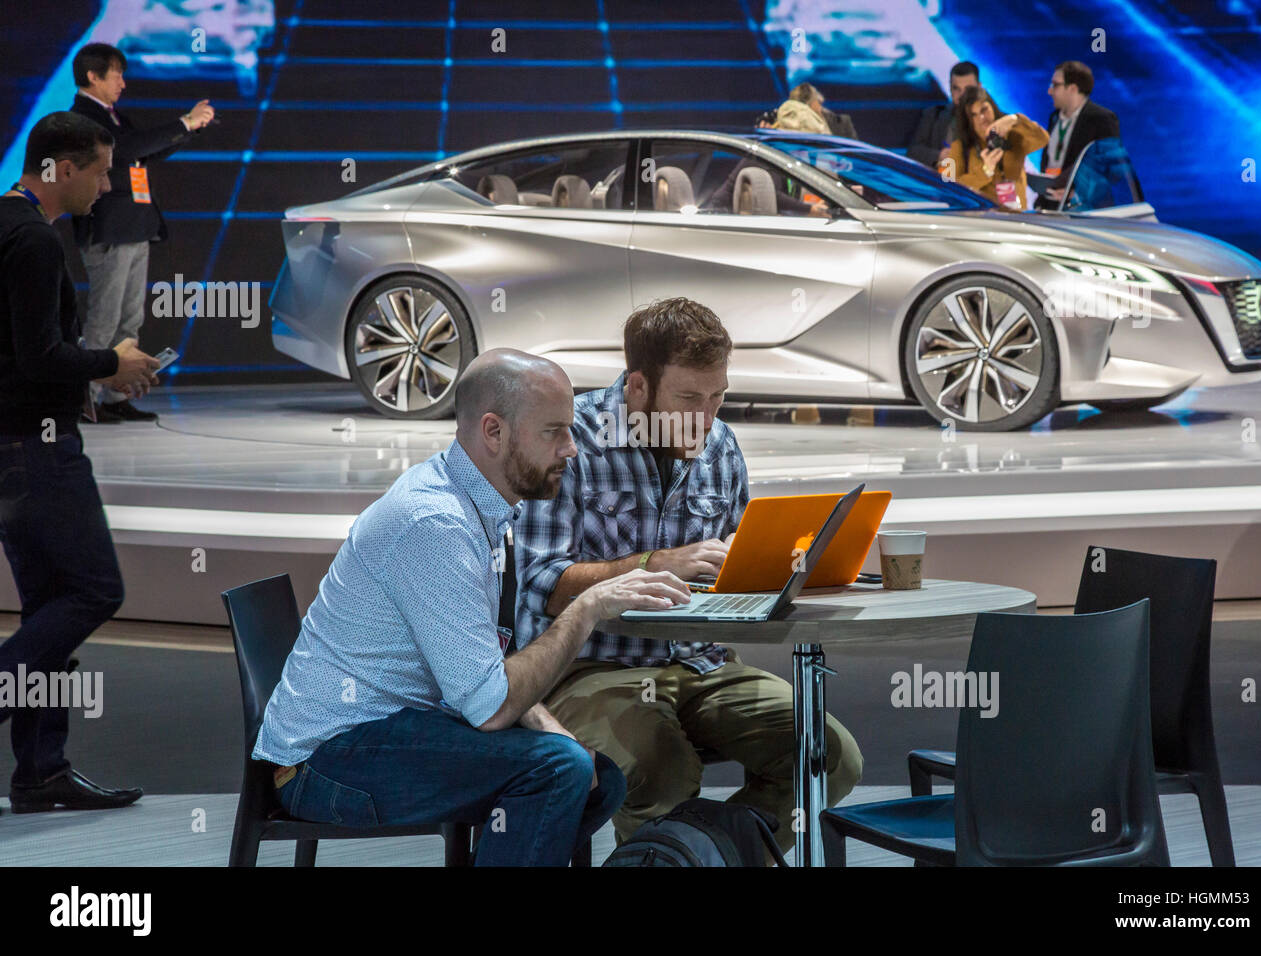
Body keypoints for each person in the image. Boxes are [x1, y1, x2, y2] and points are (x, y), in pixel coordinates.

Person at [252, 349, 688, 866]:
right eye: (554, 431)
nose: (572, 448)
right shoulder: (434, 524)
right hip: (324, 763)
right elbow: (491, 706)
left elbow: (482, 671)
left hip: (385, 731)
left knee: (593, 775)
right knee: (558, 770)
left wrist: (551, 725)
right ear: (494, 431)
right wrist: (586, 607)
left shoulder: (479, 505)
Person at [515, 298, 864, 854]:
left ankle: (699, 856)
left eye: (718, 396)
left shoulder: (721, 447)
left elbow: (732, 575)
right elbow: (540, 584)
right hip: (592, 669)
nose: (705, 417)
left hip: (704, 663)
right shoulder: (569, 440)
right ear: (637, 388)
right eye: (688, 398)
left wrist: (779, 571)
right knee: (662, 771)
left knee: (830, 756)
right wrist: (652, 564)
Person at [0, 112, 159, 813]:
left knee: (48, 605)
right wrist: (111, 364)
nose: (108, 182)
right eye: (99, 169)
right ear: (61, 170)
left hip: (10, 450)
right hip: (37, 452)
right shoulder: (33, 241)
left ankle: (41, 770)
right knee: (94, 591)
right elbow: (40, 355)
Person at [69, 42, 214, 423]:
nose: (123, 83)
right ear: (92, 76)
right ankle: (85, 399)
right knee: (104, 319)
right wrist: (183, 122)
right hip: (109, 230)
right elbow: (126, 149)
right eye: (117, 75)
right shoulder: (83, 118)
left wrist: (188, 130)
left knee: (128, 319)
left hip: (134, 228)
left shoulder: (114, 116)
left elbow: (143, 152)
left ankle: (116, 397)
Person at [1037, 60, 1120, 208]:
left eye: (1055, 85)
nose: (1049, 91)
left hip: (1084, 208)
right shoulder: (1054, 117)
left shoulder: (1102, 119)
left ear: (1073, 89)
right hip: (1050, 205)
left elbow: (1112, 170)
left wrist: (1077, 194)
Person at [949, 86, 1049, 210]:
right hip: (983, 221)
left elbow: (1042, 139)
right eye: (974, 115)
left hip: (1016, 219)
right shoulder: (959, 147)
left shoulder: (1014, 135)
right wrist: (985, 171)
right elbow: (950, 188)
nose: (982, 118)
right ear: (968, 121)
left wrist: (1016, 120)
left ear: (993, 107)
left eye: (984, 110)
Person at [907, 61, 980, 170]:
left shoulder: (995, 120)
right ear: (950, 88)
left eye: (968, 89)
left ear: (979, 87)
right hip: (939, 182)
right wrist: (939, 155)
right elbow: (913, 152)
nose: (962, 95)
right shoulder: (934, 114)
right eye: (956, 89)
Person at [789, 81, 858, 139]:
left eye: (818, 100)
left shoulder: (842, 123)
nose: (821, 100)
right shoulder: (789, 126)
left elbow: (855, 153)